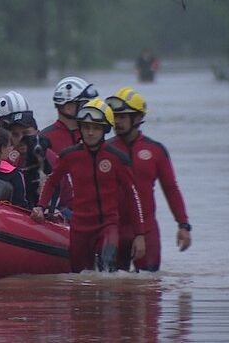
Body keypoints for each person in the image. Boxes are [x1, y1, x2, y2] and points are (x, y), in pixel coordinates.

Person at [31, 99, 146, 273]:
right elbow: (52, 181)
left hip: (107, 226)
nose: (90, 132)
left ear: (105, 129)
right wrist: (40, 206)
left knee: (106, 269)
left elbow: (132, 195)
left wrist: (139, 235)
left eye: (96, 128)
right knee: (79, 276)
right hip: (79, 229)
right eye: (86, 127)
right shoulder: (70, 156)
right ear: (80, 128)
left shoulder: (118, 159)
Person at [106, 88, 191, 272]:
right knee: (111, 291)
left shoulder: (156, 150)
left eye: (122, 117)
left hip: (147, 231)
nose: (116, 122)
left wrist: (183, 225)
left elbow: (171, 189)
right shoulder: (105, 150)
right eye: (114, 116)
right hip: (114, 231)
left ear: (137, 118)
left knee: (149, 290)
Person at [39, 76, 100, 155]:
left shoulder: (91, 133)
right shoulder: (43, 139)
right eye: (84, 104)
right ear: (68, 108)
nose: (88, 109)